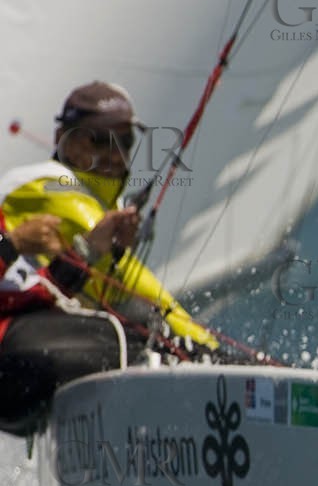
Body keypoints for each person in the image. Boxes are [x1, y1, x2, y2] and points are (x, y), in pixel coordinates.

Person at [0, 82, 217, 433]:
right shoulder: (48, 186)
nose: (115, 154)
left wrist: (90, 251)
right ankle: (209, 374)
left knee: (136, 323)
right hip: (16, 360)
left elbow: (42, 291)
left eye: (125, 141)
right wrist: (207, 349)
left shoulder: (96, 202)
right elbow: (134, 284)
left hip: (27, 352)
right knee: (143, 337)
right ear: (62, 138)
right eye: (99, 139)